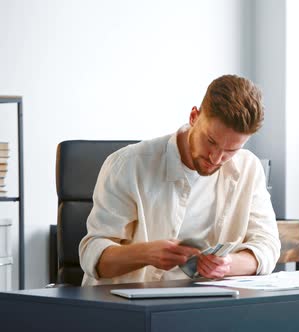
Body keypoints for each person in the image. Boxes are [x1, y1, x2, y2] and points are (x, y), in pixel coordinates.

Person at [79, 74, 280, 286]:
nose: (216, 158)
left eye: (231, 150)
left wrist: (227, 264)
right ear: (194, 116)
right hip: (132, 305)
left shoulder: (248, 168)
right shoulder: (128, 164)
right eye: (210, 141)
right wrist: (147, 254)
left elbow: (267, 246)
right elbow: (91, 255)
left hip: (203, 304)